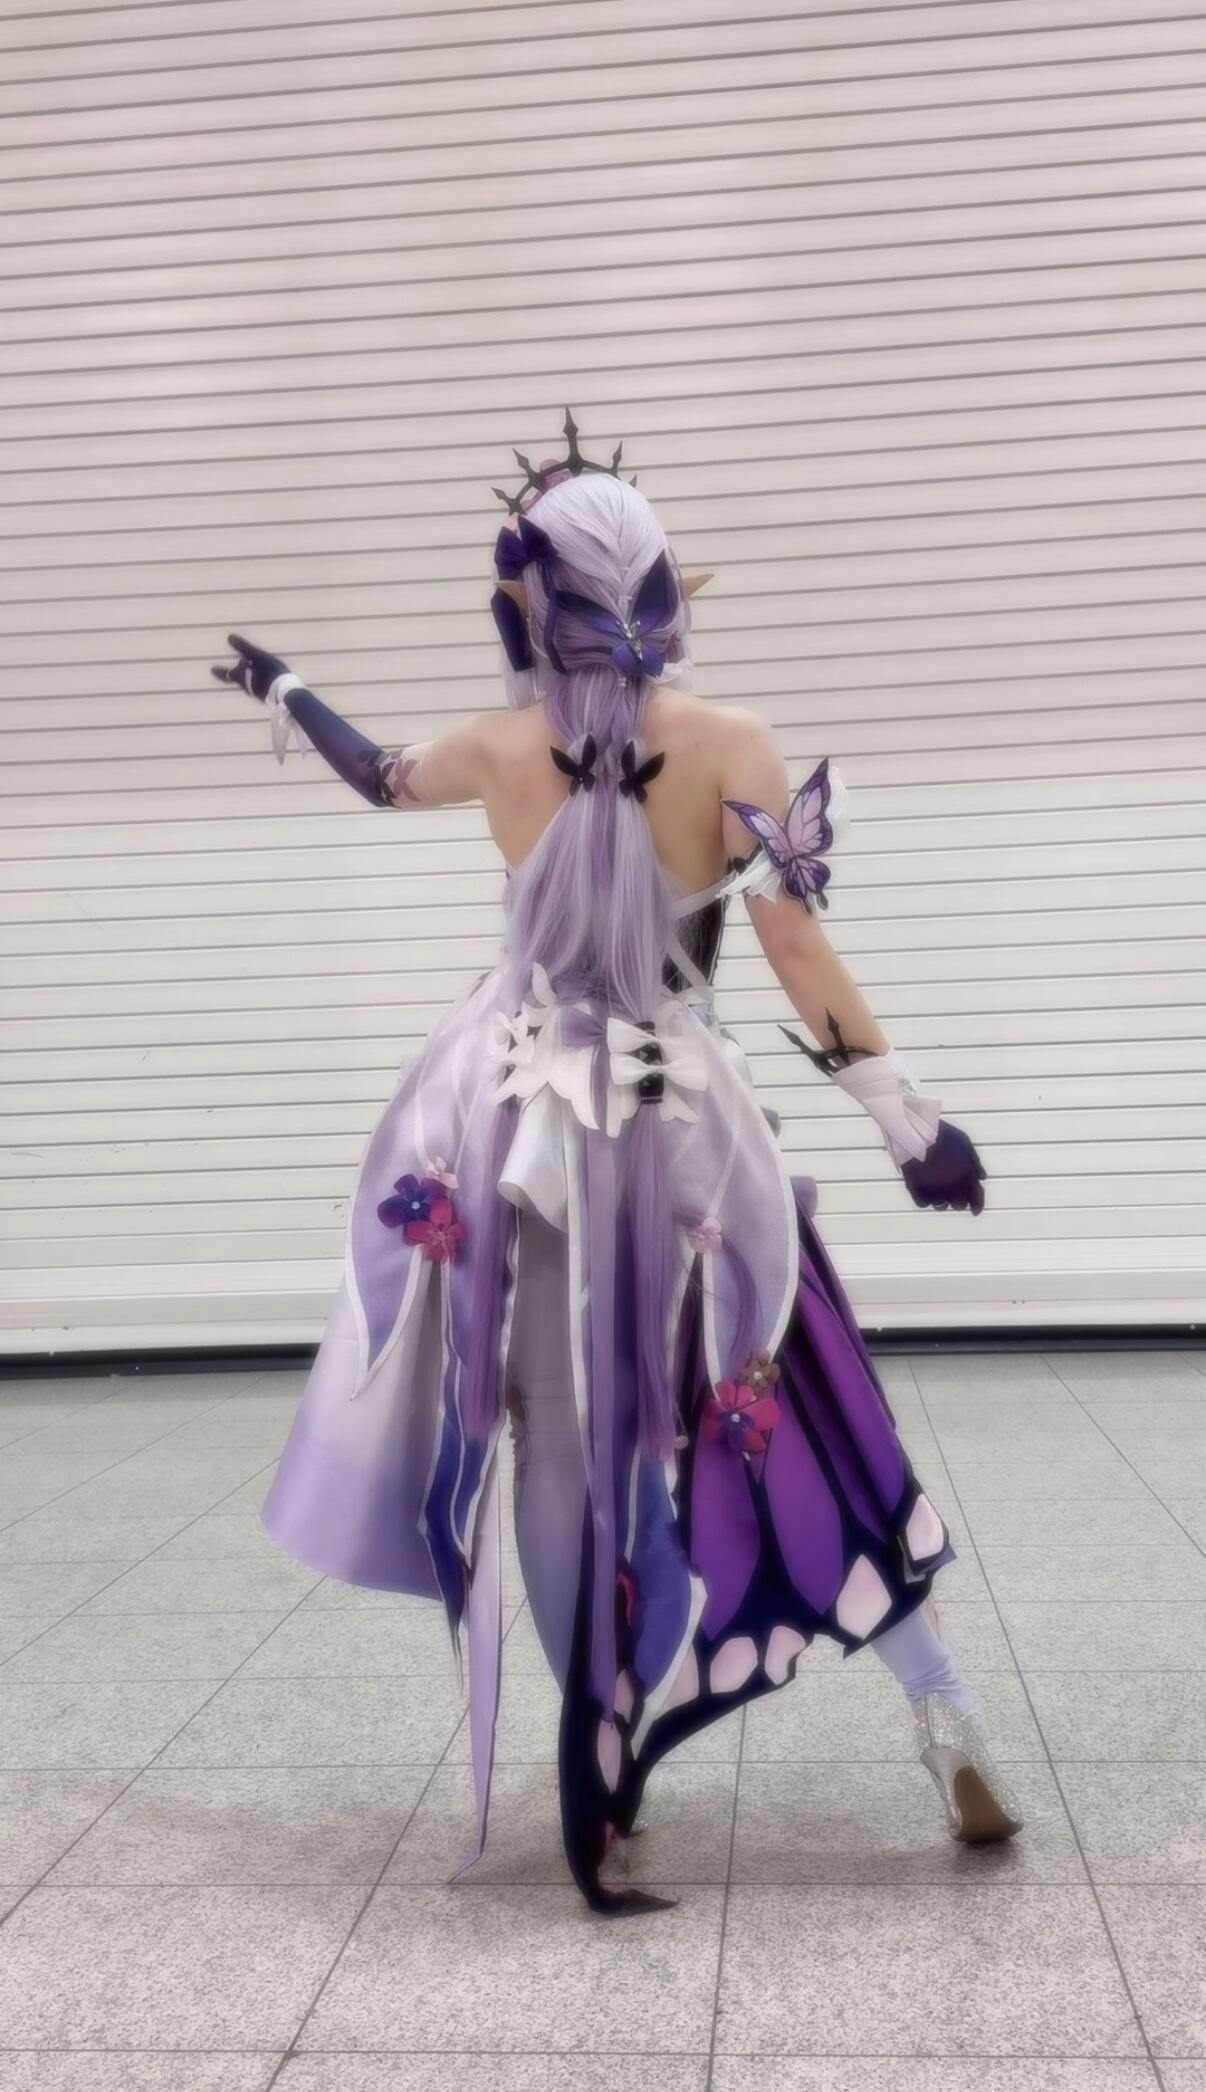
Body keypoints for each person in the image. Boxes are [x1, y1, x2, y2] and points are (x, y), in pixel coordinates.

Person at [213, 414, 1022, 1916]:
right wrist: (910, 1121)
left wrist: (289, 687)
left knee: (556, 1451)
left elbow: (375, 773)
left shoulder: (494, 748)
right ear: (655, 587)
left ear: (529, 603)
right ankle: (944, 1712)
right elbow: (794, 950)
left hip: (522, 1131)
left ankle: (600, 1761)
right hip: (685, 1129)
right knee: (801, 1404)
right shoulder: (730, 744)